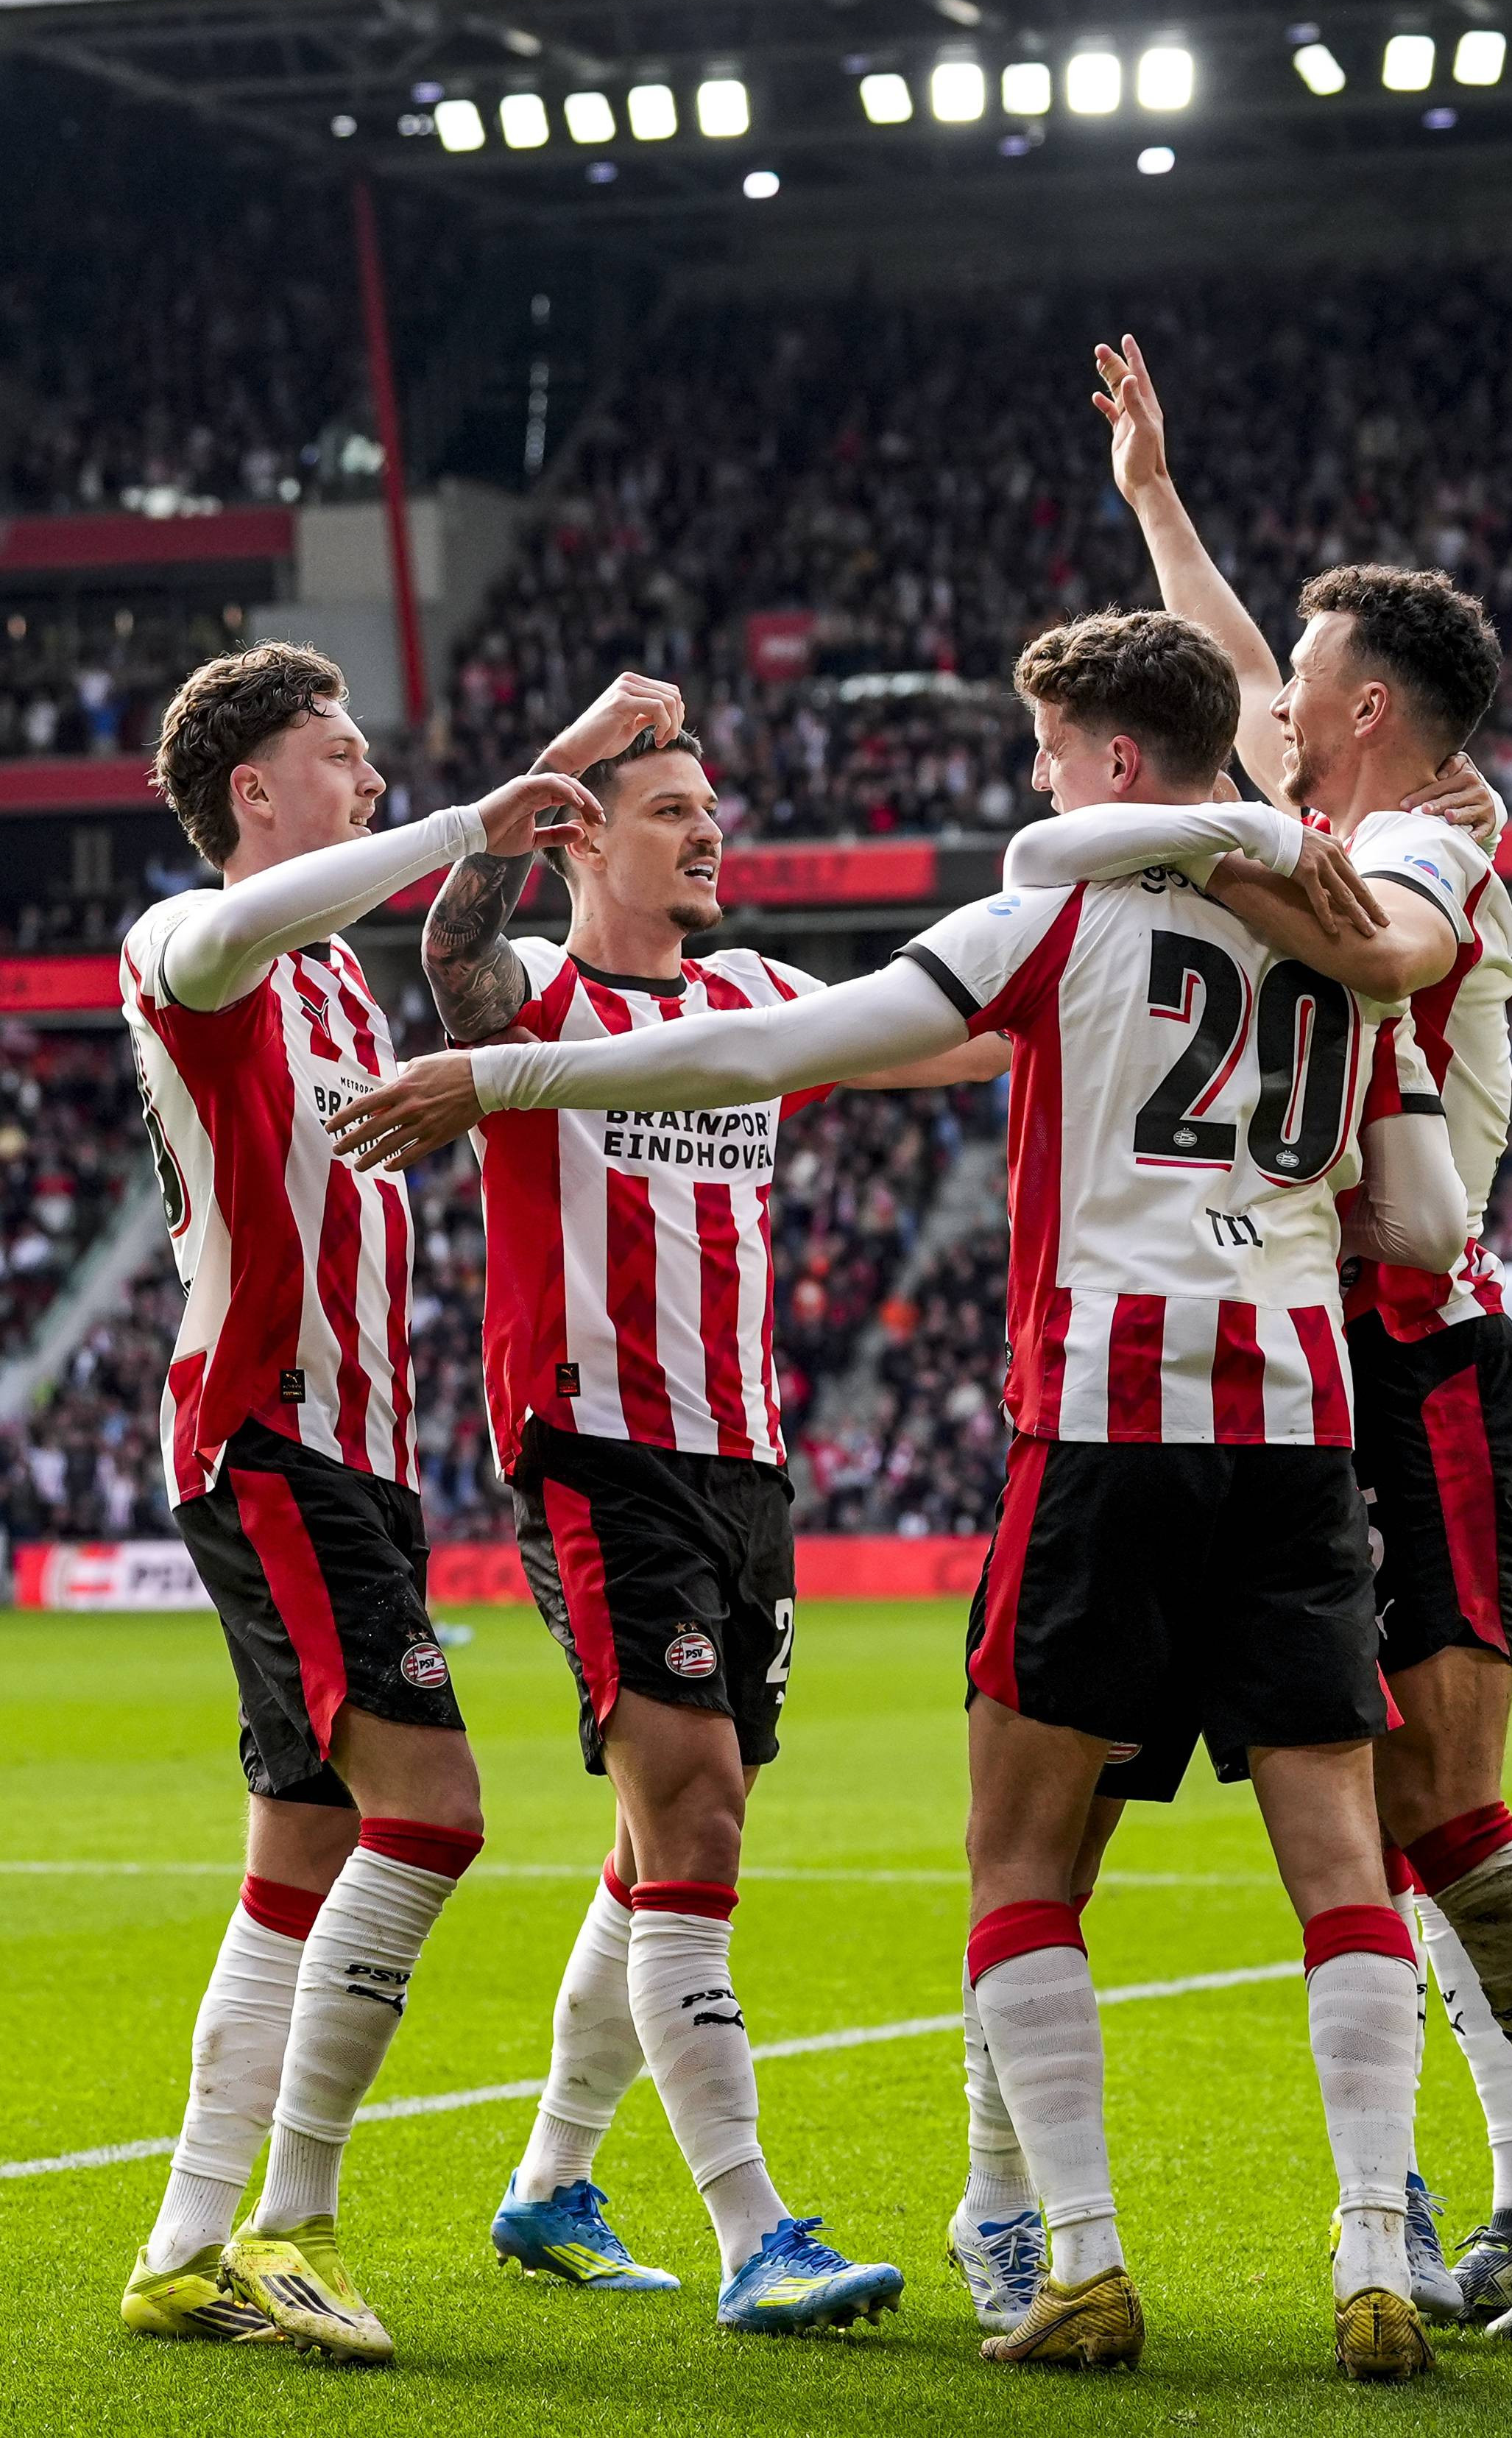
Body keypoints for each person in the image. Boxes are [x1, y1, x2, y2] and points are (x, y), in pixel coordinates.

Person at [336, 608, 1472, 2380]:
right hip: (1287, 1422)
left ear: (1109, 759)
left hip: (1087, 1419)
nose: (1034, 781)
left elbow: (801, 1047)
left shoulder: (1036, 916)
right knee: (1334, 1853)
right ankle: (1377, 2246)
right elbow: (1422, 1212)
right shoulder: (1339, 934)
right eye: (674, 808)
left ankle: (1069, 2253)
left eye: (1047, 752)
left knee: (997, 1852)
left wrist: (493, 1081)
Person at [1067, 332, 1512, 2343]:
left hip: (1416, 1350)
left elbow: (1397, 938)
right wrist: (1154, 503)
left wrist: (1153, 835)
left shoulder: (1429, 843)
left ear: (1355, 713)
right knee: (1370, 1807)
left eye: (1297, 682)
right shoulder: (1340, 801)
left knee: (1438, 1799)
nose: (1263, 700)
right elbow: (1229, 663)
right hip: (1300, 1364)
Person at [421, 671, 1001, 2330]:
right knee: (696, 1822)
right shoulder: (534, 997)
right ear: (582, 838)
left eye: (712, 814)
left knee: (661, 1833)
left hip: (746, 1465)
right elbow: (450, 945)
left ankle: (550, 2182)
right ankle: (756, 2230)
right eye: (673, 811)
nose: (708, 836)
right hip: (599, 1452)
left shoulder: (753, 993)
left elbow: (957, 1037)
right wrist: (565, 758)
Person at [107, 640, 601, 2367]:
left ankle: (186, 2244)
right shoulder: (188, 939)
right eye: (340, 753)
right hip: (273, 1438)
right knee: (435, 1810)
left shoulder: (335, 979)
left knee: (302, 1857)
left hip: (359, 1465)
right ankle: (293, 2219)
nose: (372, 776)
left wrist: (563, 765)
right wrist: (469, 817)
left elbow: (440, 880)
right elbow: (243, 926)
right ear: (254, 790)